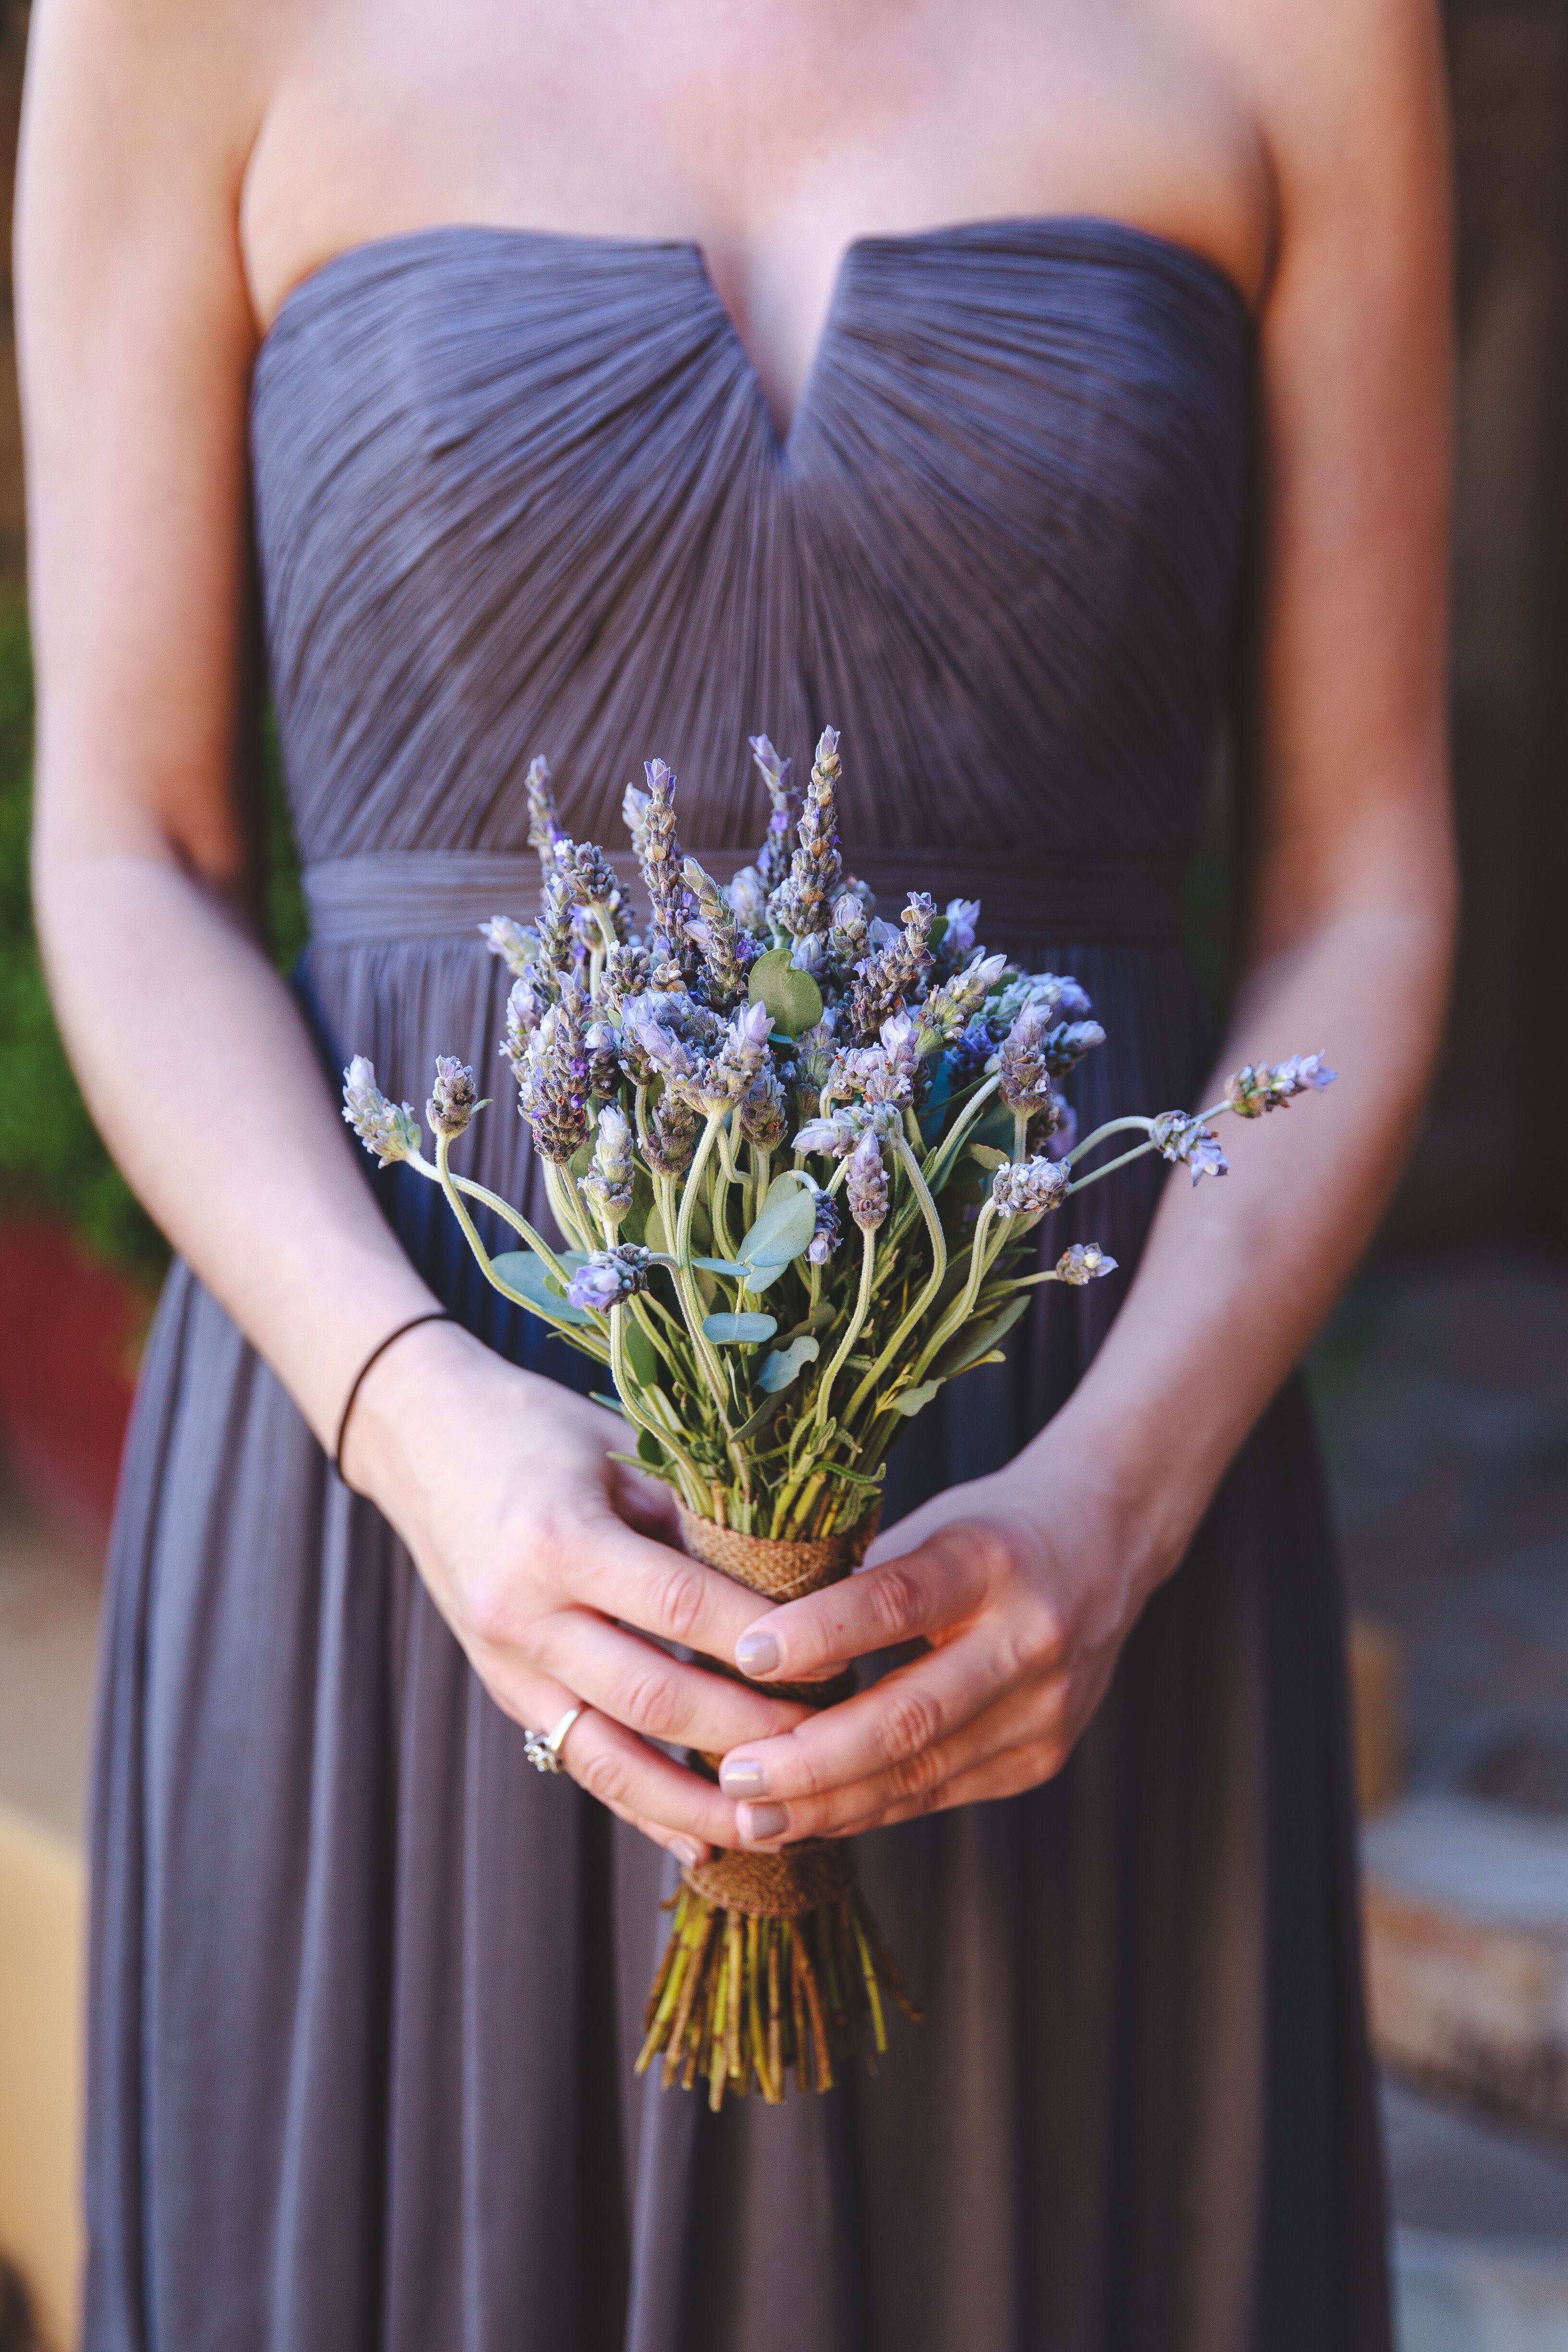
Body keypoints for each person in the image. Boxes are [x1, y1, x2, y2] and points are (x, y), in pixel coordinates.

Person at [18, 0, 1454, 2342]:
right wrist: (411, 1415)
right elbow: (129, 848)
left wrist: (1120, 1503)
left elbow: (1363, 884)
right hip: (412, 1535)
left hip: (1070, 1540)